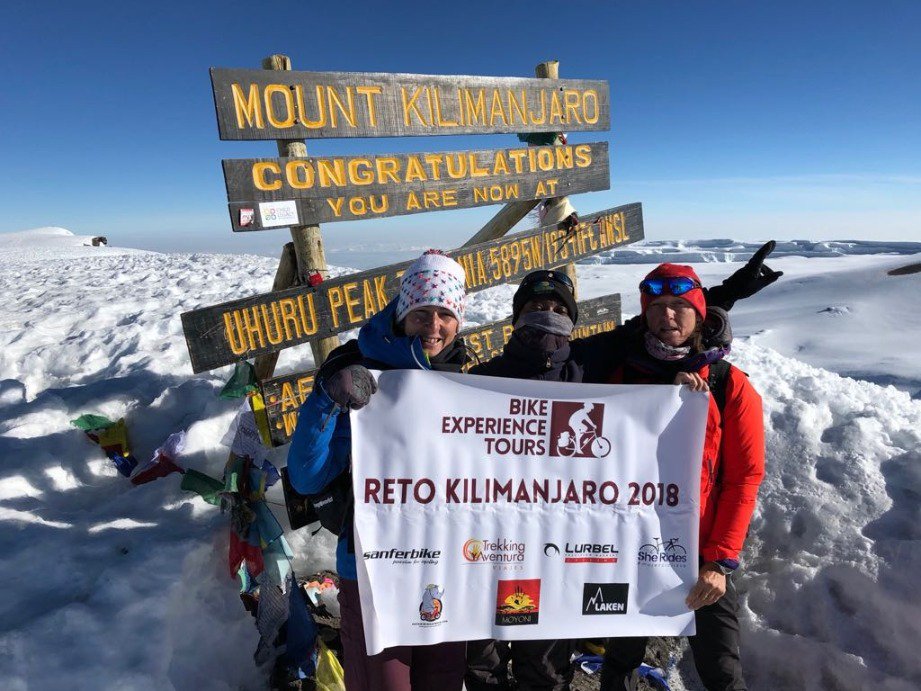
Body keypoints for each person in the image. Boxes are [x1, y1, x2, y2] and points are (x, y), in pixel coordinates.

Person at [286, 249, 470, 691]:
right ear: (402, 313)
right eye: (422, 312)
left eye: (445, 313)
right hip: (372, 568)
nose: (433, 326)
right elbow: (306, 477)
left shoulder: (463, 378)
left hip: (447, 567)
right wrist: (328, 400)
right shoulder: (355, 371)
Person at [593, 263, 766, 691]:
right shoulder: (622, 372)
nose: (667, 316)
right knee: (620, 663)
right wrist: (662, 401)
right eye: (657, 307)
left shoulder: (728, 384)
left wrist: (720, 561)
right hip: (631, 547)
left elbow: (744, 477)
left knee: (722, 672)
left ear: (699, 315)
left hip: (704, 553)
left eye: (679, 306)